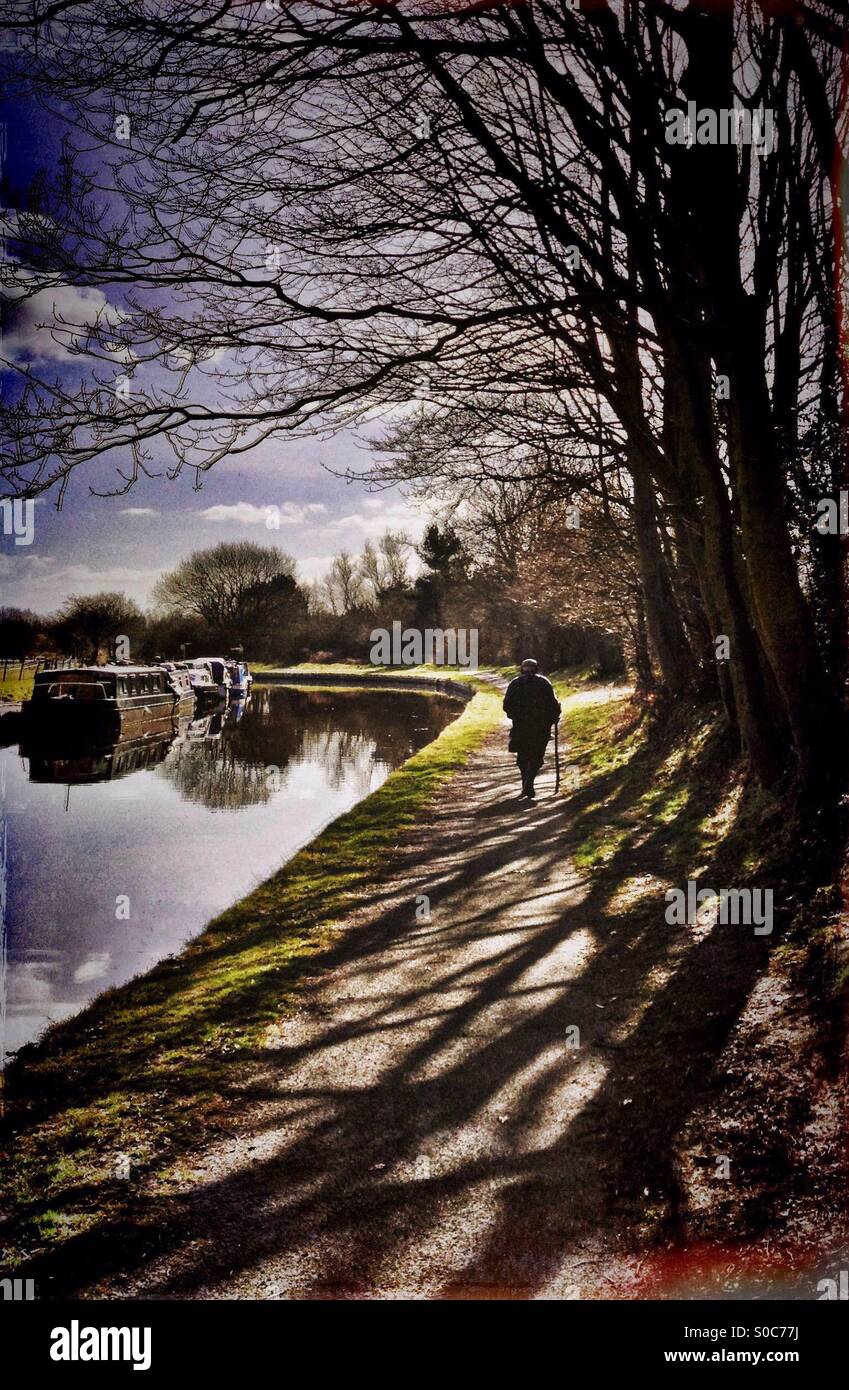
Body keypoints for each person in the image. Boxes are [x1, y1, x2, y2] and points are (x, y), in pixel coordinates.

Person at [503, 658, 561, 800]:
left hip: (523, 727)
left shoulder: (516, 683)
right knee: (535, 756)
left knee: (523, 757)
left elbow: (506, 706)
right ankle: (528, 783)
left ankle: (527, 783)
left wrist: (515, 716)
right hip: (539, 727)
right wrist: (554, 716)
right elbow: (554, 705)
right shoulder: (543, 683)